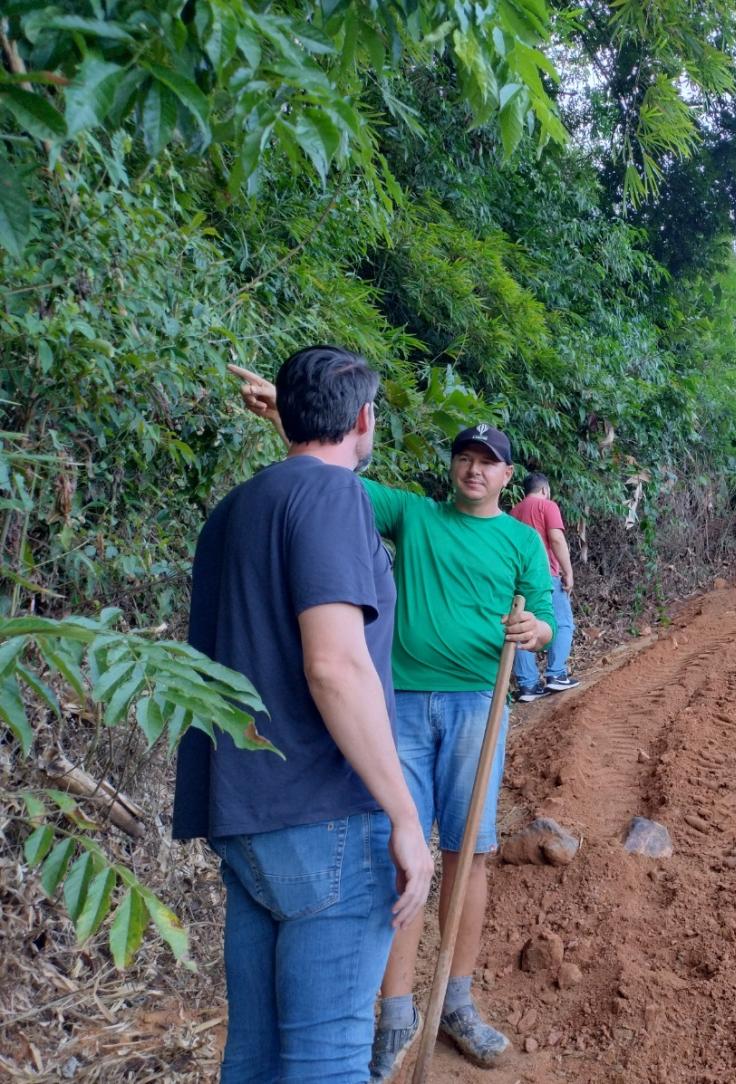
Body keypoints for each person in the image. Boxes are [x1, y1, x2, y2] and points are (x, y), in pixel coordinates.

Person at [229, 367, 554, 1081]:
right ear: (453, 466)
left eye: (488, 460)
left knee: (469, 852)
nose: (474, 468)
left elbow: (551, 619)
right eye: (465, 457)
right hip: (397, 703)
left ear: (506, 475)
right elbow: (327, 473)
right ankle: (396, 1009)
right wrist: (283, 419)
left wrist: (535, 629)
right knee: (391, 853)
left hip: (479, 703)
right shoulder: (413, 515)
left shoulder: (521, 541)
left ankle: (457, 1003)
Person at [173, 345, 434, 1082]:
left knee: (255, 1059)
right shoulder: (332, 499)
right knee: (326, 1063)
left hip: (247, 816)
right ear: (364, 419)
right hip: (327, 818)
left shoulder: (237, 508)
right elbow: (334, 665)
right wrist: (406, 817)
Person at [510, 472, 578, 701]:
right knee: (563, 622)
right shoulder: (547, 506)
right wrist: (568, 572)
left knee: (521, 628)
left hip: (518, 580)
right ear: (545, 490)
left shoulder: (513, 513)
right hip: (546, 575)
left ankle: (528, 685)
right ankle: (556, 674)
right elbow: (556, 539)